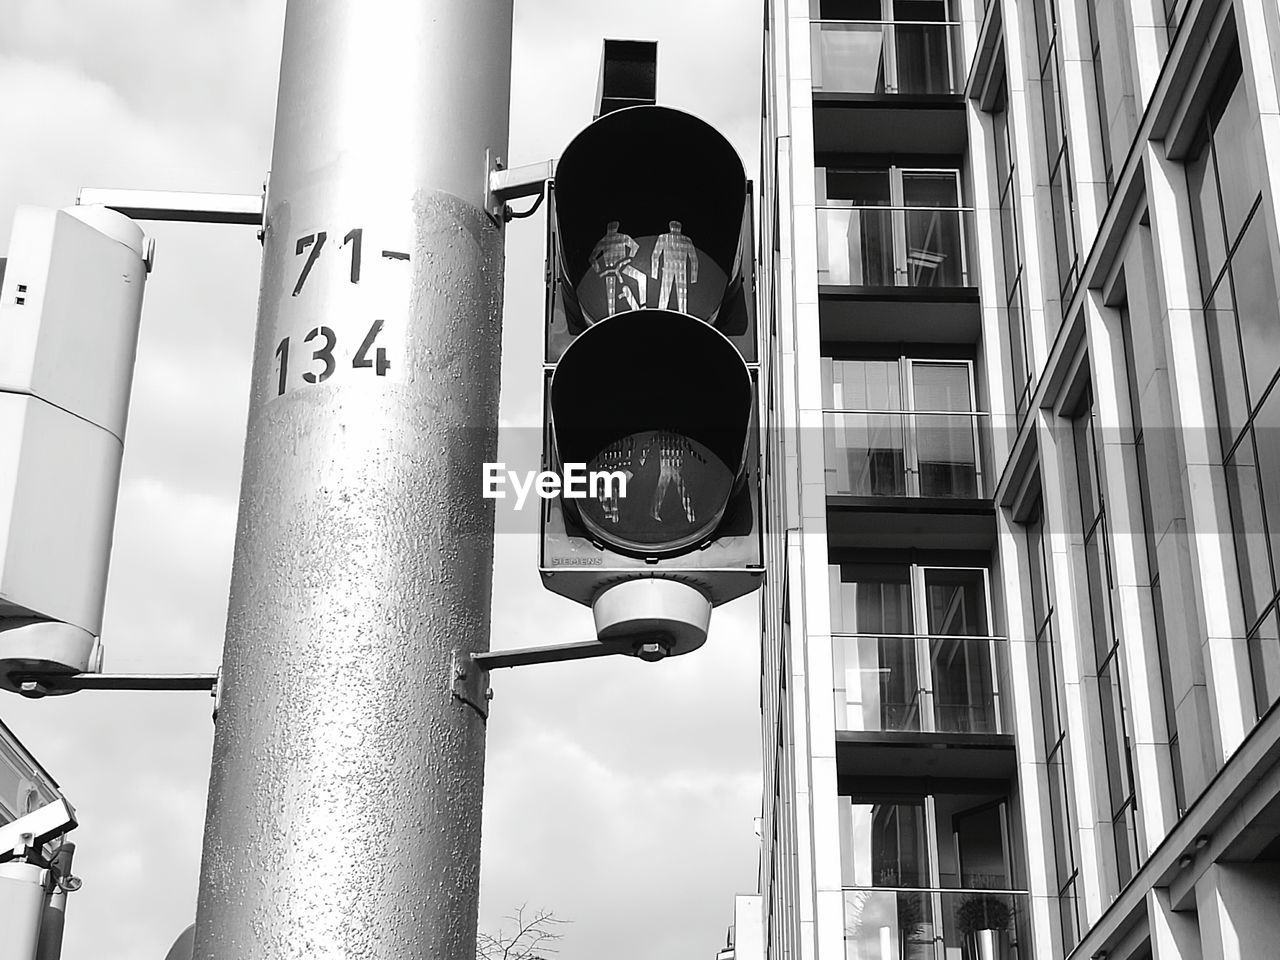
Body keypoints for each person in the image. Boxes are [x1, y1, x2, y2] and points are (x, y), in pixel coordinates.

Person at [651, 220, 699, 313]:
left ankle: (662, 312)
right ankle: (680, 314)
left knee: (668, 295)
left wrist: (655, 273)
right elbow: (694, 260)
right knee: (680, 296)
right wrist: (693, 278)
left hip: (671, 268)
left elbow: (655, 256)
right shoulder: (685, 240)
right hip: (678, 269)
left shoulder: (664, 237)